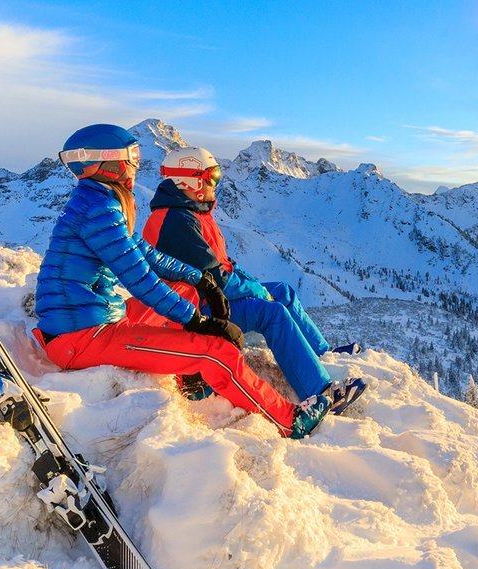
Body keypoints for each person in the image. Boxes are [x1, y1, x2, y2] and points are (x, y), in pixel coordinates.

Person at [33, 124, 330, 439]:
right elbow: (140, 279)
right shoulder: (99, 210)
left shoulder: (98, 201)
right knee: (216, 351)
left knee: (184, 290)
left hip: (94, 318)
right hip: (81, 338)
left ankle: (190, 375)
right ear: (109, 161)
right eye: (132, 156)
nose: (136, 164)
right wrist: (199, 322)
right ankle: (288, 421)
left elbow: (145, 253)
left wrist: (199, 279)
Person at [143, 146, 365, 412]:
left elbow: (222, 266)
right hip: (194, 310)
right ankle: (321, 392)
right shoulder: (175, 221)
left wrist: (256, 286)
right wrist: (257, 292)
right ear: (188, 179)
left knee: (282, 291)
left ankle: (321, 354)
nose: (216, 183)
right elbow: (216, 281)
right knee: (272, 313)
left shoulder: (191, 212)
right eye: (210, 177)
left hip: (209, 297)